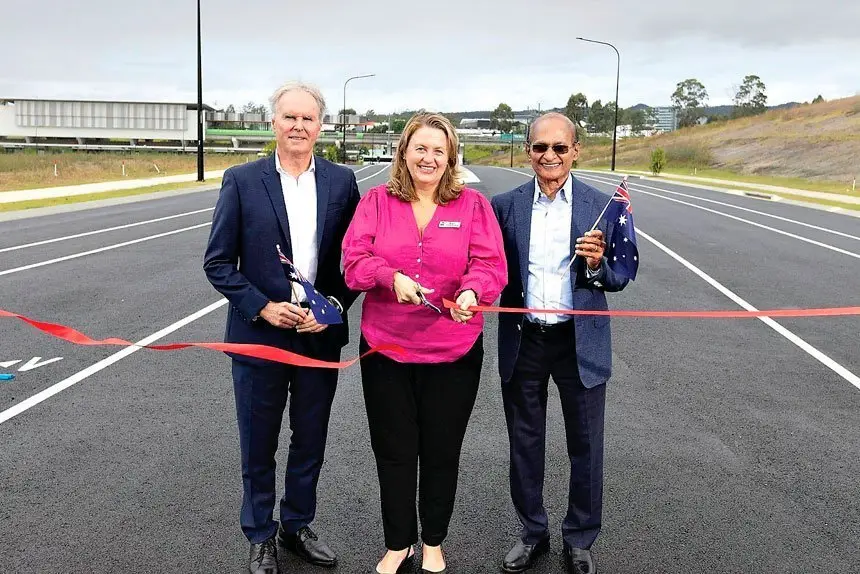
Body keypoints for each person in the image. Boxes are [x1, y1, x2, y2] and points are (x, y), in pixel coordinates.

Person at [203, 80, 360, 574]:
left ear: (321, 125)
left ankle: (296, 525)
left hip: (319, 334)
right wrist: (263, 308)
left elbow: (352, 262)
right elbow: (219, 263)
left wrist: (331, 305)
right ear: (273, 122)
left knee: (310, 436)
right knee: (259, 442)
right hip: (260, 336)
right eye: (289, 117)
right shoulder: (241, 180)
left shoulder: (342, 182)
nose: (298, 126)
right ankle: (261, 535)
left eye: (307, 118)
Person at [341, 112, 507, 574]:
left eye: (438, 149)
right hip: (385, 351)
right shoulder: (376, 201)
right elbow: (353, 261)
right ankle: (399, 543)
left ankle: (432, 541)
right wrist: (387, 275)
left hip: (453, 353)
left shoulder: (473, 206)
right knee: (394, 451)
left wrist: (473, 291)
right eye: (420, 148)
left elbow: (491, 266)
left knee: (440, 450)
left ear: (450, 156)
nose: (429, 157)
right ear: (405, 152)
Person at [490, 112, 630, 574]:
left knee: (586, 445)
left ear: (576, 151)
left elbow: (621, 274)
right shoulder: (504, 206)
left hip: (579, 343)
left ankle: (580, 538)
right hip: (525, 339)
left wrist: (595, 266)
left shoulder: (602, 205)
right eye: (539, 148)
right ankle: (533, 532)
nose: (549, 156)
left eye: (559, 148)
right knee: (524, 443)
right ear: (528, 151)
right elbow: (490, 269)